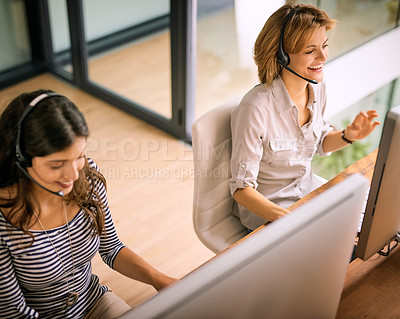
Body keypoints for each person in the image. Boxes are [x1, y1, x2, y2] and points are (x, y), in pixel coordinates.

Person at [0, 90, 177, 319]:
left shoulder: (88, 177)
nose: (73, 174)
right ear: (21, 159)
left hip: (93, 300)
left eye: (78, 156)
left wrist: (158, 278)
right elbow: (14, 313)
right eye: (56, 164)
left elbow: (111, 248)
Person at [229, 3, 380, 232]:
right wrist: (290, 219)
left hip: (308, 194)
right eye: (310, 51)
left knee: (368, 217)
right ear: (281, 56)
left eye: (324, 46)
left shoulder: (317, 88)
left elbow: (319, 143)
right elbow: (241, 189)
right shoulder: (255, 108)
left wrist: (348, 135)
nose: (322, 56)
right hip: (270, 210)